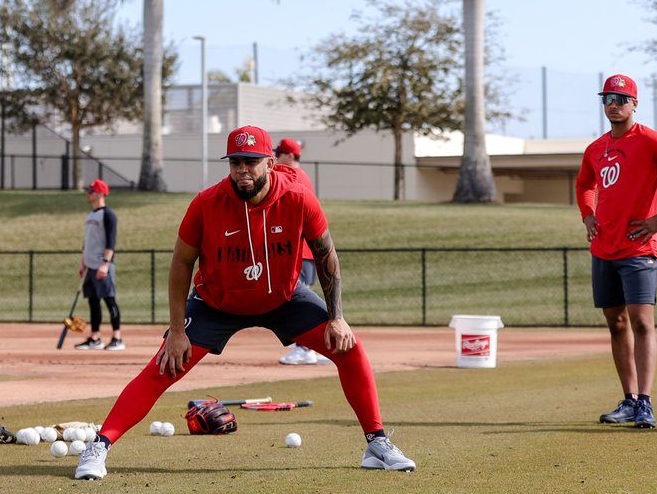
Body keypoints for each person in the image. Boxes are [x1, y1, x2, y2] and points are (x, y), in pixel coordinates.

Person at [73, 125, 416, 480]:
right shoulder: (206, 204)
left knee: (350, 348)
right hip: (215, 303)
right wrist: (177, 331)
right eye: (236, 162)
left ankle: (376, 444)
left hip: (284, 299)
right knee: (163, 367)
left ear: (269, 163)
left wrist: (337, 317)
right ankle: (98, 446)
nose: (243, 170)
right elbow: (180, 264)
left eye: (251, 162)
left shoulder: (298, 197)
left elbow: (326, 254)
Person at [575, 74, 657, 430]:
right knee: (615, 324)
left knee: (642, 323)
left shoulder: (650, 141)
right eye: (607, 99)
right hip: (603, 249)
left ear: (634, 103)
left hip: (638, 249)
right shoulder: (596, 148)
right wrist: (588, 216)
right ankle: (629, 400)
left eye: (620, 98)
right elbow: (584, 183)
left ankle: (645, 402)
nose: (612, 104)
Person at [273, 137, 326, 365]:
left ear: (291, 156)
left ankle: (306, 348)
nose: (276, 156)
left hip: (300, 251)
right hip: (302, 251)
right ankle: (315, 345)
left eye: (280, 152)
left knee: (298, 301)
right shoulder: (299, 176)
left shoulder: (293, 176)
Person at [75, 179, 124, 351]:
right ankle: (95, 338)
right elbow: (87, 242)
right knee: (93, 302)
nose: (88, 194)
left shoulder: (108, 215)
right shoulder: (90, 215)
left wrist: (105, 263)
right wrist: (83, 264)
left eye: (91, 191)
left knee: (109, 300)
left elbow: (111, 241)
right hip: (89, 265)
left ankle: (117, 337)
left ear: (100, 194)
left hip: (102, 265)